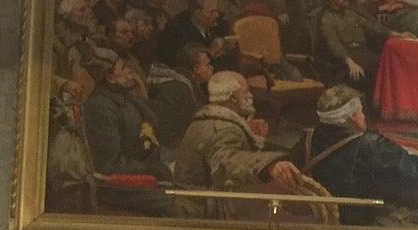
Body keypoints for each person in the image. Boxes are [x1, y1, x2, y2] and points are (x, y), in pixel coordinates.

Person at [299, 85, 418, 223]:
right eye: (361, 112)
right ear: (353, 118)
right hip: (360, 224)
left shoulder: (307, 140)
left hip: (326, 219)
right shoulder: (371, 147)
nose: (363, 117)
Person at [173, 69, 305, 201]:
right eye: (245, 92)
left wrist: (252, 136)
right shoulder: (222, 130)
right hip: (202, 207)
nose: (250, 96)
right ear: (233, 98)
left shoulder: (211, 121)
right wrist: (269, 166)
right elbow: (228, 162)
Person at [83, 57, 174, 215]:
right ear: (110, 76)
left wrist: (141, 90)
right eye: (124, 68)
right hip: (121, 188)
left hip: (148, 174)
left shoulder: (126, 97)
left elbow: (155, 123)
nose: (130, 71)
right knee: (183, 206)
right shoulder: (100, 107)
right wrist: (153, 170)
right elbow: (109, 165)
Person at [316, 0, 386, 87]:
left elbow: (370, 26)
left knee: (386, 67)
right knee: (367, 74)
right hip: (345, 56)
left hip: (362, 52)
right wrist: (350, 62)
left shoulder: (350, 12)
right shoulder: (326, 18)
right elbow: (333, 43)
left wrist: (396, 34)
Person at [146, 42, 211, 147]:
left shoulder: (189, 86)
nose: (211, 68)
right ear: (195, 68)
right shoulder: (180, 88)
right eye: (207, 65)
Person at [161, 0, 235, 67]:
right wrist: (212, 52)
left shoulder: (216, 24)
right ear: (197, 13)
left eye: (216, 11)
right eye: (211, 12)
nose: (217, 15)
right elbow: (188, 65)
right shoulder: (179, 31)